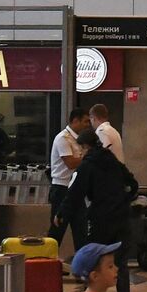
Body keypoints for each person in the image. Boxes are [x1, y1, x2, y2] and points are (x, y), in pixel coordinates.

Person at [55, 131, 138, 292]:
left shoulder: (87, 165)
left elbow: (75, 193)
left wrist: (61, 213)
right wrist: (124, 200)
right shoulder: (113, 161)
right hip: (121, 217)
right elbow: (133, 184)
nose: (80, 152)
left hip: (100, 218)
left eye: (80, 148)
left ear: (85, 146)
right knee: (120, 263)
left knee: (92, 261)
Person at [48, 108, 91, 252]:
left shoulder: (79, 140)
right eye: (85, 121)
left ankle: (82, 261)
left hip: (76, 189)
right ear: (75, 121)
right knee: (57, 229)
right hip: (62, 189)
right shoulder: (63, 138)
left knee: (81, 230)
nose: (88, 125)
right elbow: (70, 163)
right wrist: (89, 156)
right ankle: (47, 260)